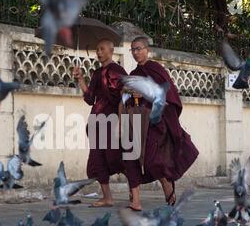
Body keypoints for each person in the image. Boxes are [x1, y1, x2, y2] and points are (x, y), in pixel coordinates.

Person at [123, 36, 199, 211]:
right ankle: (137, 199)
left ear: (147, 50)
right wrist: (128, 95)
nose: (136, 52)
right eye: (133, 49)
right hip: (139, 123)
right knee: (134, 158)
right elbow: (126, 100)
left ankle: (168, 190)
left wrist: (145, 95)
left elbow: (167, 95)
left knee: (153, 162)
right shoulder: (133, 75)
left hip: (157, 123)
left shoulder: (156, 69)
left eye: (138, 48)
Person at [73, 39, 128, 208]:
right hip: (96, 121)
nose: (99, 52)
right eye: (97, 49)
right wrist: (81, 79)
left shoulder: (118, 71)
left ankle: (134, 192)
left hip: (112, 120)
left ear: (111, 51)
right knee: (98, 159)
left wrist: (122, 123)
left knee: (118, 157)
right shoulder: (97, 74)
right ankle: (107, 197)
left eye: (102, 49)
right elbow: (90, 99)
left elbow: (124, 98)